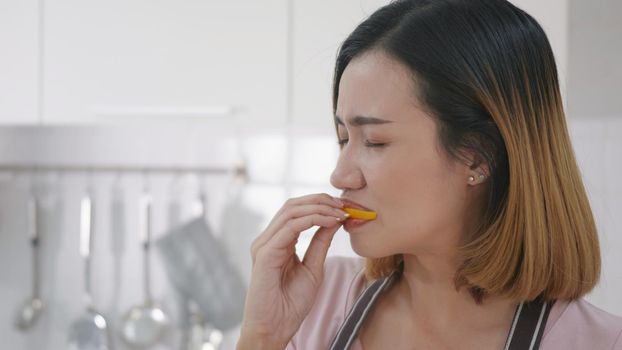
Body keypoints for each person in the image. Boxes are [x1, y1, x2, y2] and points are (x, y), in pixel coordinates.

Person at [236, 0, 622, 349]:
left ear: (477, 157)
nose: (341, 176)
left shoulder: (600, 342)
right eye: (343, 138)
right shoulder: (315, 303)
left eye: (373, 141)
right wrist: (262, 338)